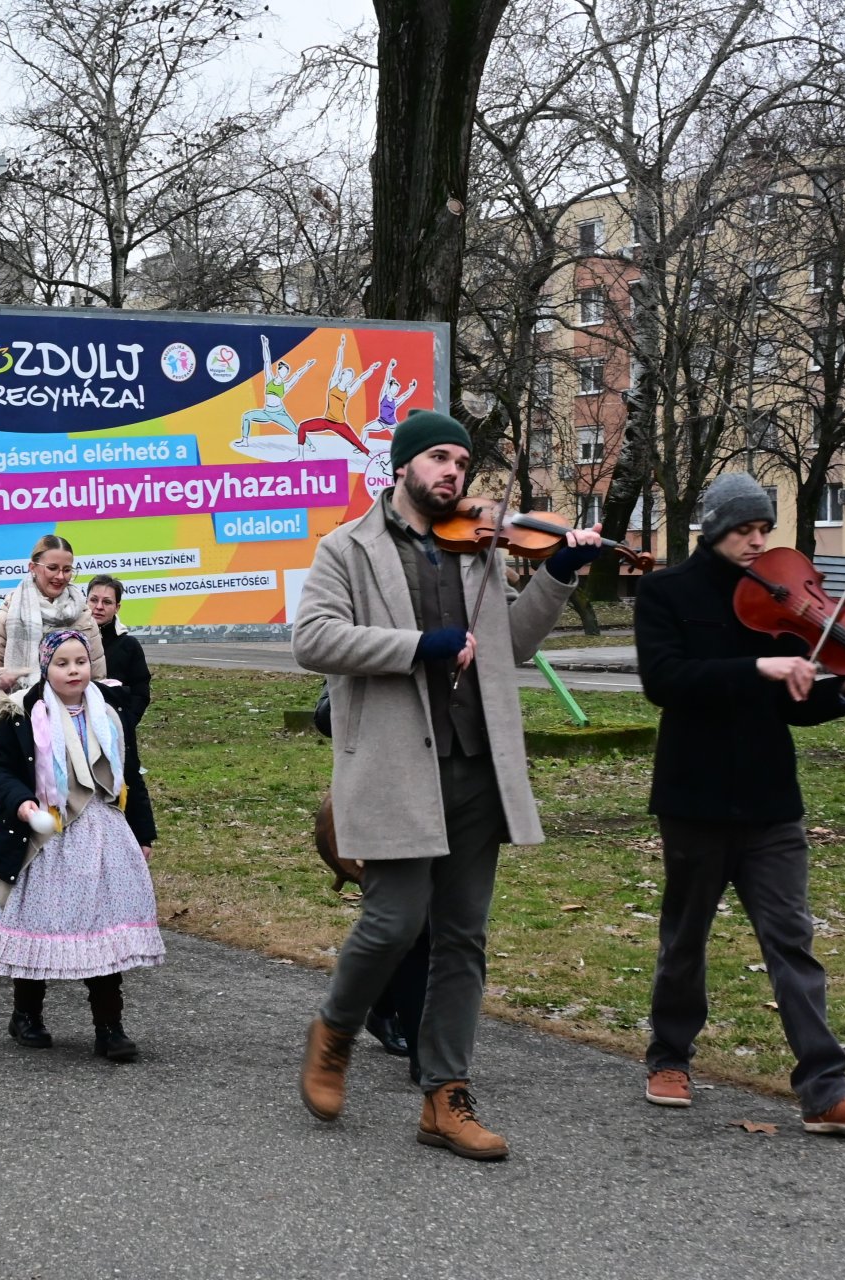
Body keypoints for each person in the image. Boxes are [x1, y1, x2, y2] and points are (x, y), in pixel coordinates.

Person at [291, 410, 603, 1162]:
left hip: (476, 767)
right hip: (395, 766)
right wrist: (416, 647)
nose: (453, 473)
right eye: (439, 458)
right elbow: (313, 639)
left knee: (463, 936)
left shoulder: (480, 549)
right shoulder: (348, 548)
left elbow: (510, 646)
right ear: (403, 465)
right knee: (394, 922)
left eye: (462, 462)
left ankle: (445, 1095)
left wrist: (557, 574)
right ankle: (335, 1031)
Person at [634, 471, 845, 1137]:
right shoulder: (666, 592)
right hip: (694, 796)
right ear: (714, 528)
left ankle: (826, 1091)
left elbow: (799, 705)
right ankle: (669, 1056)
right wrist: (757, 668)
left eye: (764, 528)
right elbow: (665, 681)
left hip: (770, 801)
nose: (757, 541)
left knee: (792, 942)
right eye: (744, 529)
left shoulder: (781, 599)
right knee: (685, 939)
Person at [0, 630, 164, 1060]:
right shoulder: (22, 713)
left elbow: (130, 771)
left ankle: (110, 1026)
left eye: (81, 661)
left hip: (104, 831)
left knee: (103, 926)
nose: (74, 670)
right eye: (62, 663)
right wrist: (21, 803)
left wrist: (143, 833)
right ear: (46, 668)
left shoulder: (110, 710)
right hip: (48, 836)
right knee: (40, 922)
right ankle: (26, 1014)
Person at [0, 535, 104, 700]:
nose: (60, 576)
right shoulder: (4, 619)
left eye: (67, 570)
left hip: (75, 713)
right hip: (22, 713)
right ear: (32, 567)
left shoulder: (84, 619)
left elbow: (98, 680)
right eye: (52, 568)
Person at [84, 575, 155, 852]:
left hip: (117, 732)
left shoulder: (128, 645)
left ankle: (140, 842)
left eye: (107, 602)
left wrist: (124, 722)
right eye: (93, 600)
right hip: (78, 729)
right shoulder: (72, 638)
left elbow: (141, 690)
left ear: (117, 607)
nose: (99, 607)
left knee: (128, 778)